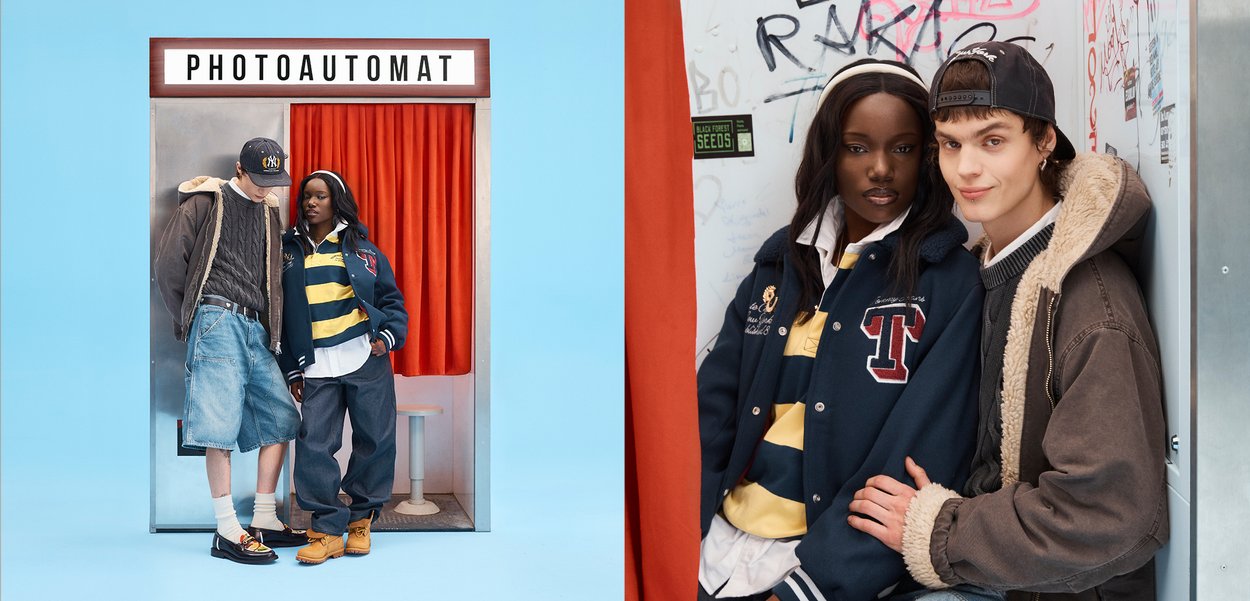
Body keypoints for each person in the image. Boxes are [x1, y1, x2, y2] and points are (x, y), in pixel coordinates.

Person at [848, 42, 1168, 601]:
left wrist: (939, 530)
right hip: (989, 565)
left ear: (1044, 141)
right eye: (950, 144)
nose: (966, 168)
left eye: (993, 141)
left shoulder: (1092, 305)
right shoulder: (985, 266)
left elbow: (1111, 517)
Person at [697, 59, 984, 601]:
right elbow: (711, 412)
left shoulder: (950, 283)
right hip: (714, 555)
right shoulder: (779, 265)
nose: (881, 168)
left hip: (813, 577)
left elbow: (917, 459)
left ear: (926, 158)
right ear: (829, 154)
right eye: (857, 147)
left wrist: (811, 587)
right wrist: (674, 536)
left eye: (902, 148)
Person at [155, 137, 308, 564]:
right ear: (240, 169)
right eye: (260, 180)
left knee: (280, 418)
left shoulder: (268, 213)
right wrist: (194, 316)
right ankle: (226, 529)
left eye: (273, 181)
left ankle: (263, 519)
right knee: (217, 427)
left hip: (255, 327)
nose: (267, 189)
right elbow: (169, 266)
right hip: (217, 317)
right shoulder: (206, 201)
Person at [278, 169, 408, 565]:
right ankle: (327, 529)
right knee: (315, 446)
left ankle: (360, 521)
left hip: (362, 358)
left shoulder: (364, 251)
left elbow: (393, 304)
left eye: (320, 196)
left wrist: (385, 339)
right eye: (306, 197)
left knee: (374, 439)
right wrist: (292, 370)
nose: (311, 203)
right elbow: (280, 315)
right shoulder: (287, 251)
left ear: (337, 201)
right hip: (316, 365)